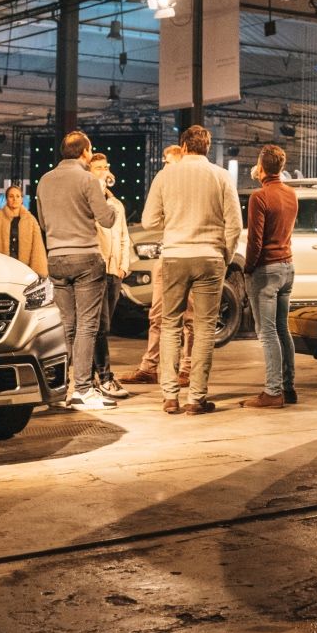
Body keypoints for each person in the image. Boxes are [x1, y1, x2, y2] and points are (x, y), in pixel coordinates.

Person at [141, 125, 241, 415]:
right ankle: (196, 399)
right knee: (204, 328)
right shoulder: (221, 176)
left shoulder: (165, 175)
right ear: (207, 148)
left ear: (183, 147)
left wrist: (173, 225)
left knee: (170, 324)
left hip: (174, 256)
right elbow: (235, 224)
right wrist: (225, 254)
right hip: (210, 257)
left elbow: (149, 221)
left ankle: (170, 397)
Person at [36, 131, 117, 410]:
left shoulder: (44, 180)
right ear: (85, 152)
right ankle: (83, 389)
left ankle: (60, 391)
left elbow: (44, 224)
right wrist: (106, 195)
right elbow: (107, 220)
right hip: (85, 259)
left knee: (66, 327)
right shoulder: (88, 180)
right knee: (87, 326)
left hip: (56, 258)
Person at [120, 145, 195, 388]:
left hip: (189, 254)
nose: (165, 167)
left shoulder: (191, 188)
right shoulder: (166, 184)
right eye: (164, 162)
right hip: (168, 253)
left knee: (189, 317)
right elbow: (151, 220)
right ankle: (149, 367)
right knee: (157, 315)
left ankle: (186, 368)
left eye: (169, 162)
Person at [240, 144, 298, 409]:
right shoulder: (291, 194)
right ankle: (288, 388)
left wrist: (248, 268)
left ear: (261, 167)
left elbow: (255, 240)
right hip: (287, 267)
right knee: (282, 329)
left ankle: (272, 392)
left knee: (266, 332)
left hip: (267, 270)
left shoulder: (259, 197)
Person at [89, 153, 131, 401]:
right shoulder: (90, 203)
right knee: (99, 326)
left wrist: (123, 266)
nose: (104, 171)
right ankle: (103, 376)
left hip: (114, 272)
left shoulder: (116, 204)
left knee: (103, 326)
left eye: (106, 167)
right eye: (98, 168)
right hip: (96, 270)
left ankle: (97, 375)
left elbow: (124, 236)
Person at [0, 185, 48, 277]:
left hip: (24, 270)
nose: (15, 199)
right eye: (11, 196)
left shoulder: (30, 220)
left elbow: (37, 248)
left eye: (18, 196)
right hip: (1, 270)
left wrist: (38, 272)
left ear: (22, 199)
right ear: (6, 199)